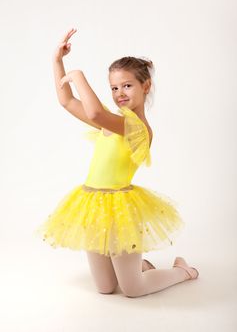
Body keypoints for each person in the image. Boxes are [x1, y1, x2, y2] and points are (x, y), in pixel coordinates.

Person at [35, 28, 199, 298]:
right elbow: (66, 101)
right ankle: (140, 265)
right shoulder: (113, 122)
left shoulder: (136, 128)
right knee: (105, 288)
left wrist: (77, 76)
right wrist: (57, 61)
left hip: (120, 209)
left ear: (145, 87)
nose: (119, 92)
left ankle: (183, 271)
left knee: (132, 289)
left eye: (127, 85)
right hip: (91, 205)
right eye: (113, 87)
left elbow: (95, 112)